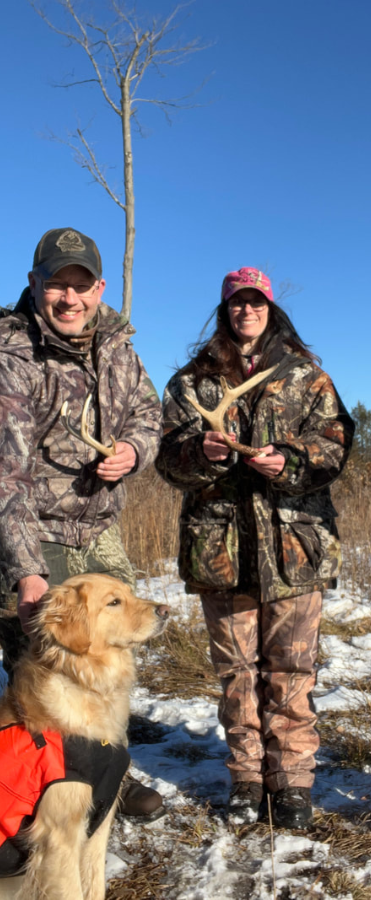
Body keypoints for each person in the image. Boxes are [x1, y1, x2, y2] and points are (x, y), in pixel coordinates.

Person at [156, 267, 354, 828]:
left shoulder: (307, 376)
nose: (247, 310)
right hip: (221, 549)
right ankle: (246, 776)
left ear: (271, 307)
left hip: (295, 546)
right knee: (237, 670)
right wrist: (203, 454)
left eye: (256, 301)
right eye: (237, 303)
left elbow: (336, 443)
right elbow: (166, 457)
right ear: (224, 310)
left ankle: (292, 782)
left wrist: (291, 461)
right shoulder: (192, 383)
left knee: (292, 669)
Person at [0, 227, 163, 820]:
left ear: (99, 288)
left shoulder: (120, 348)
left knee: (109, 664)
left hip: (99, 531)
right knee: (42, 680)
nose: (69, 299)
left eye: (81, 285)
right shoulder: (10, 355)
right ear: (34, 285)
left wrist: (133, 452)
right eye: (56, 284)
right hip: (31, 528)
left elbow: (149, 416)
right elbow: (5, 475)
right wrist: (27, 572)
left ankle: (106, 777)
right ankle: (36, 803)